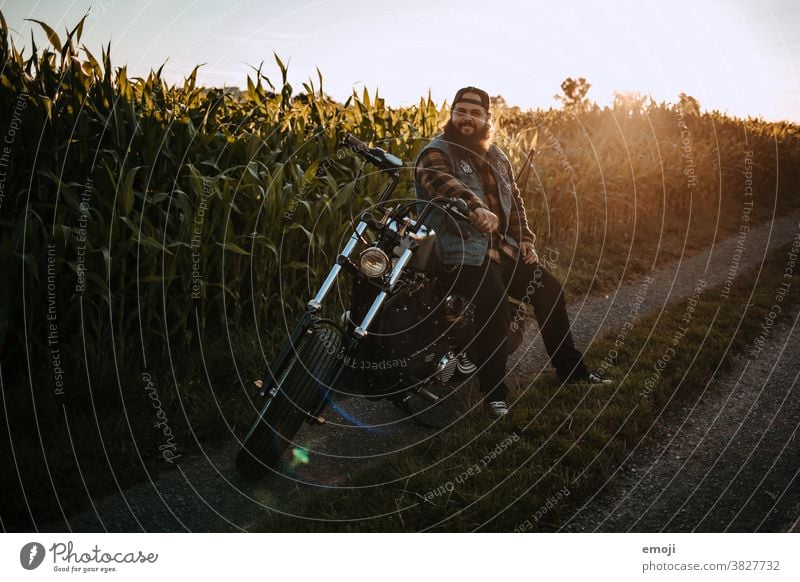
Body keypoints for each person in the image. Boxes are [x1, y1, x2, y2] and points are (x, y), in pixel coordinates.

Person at [413, 86, 609, 417]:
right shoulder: (436, 152)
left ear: (487, 118)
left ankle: (571, 373)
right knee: (494, 303)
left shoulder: (497, 156)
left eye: (475, 113)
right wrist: (473, 205)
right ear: (452, 114)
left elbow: (514, 200)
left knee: (549, 290)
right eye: (461, 111)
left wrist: (526, 239)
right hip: (459, 255)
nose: (467, 118)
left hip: (502, 250)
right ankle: (494, 394)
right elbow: (443, 184)